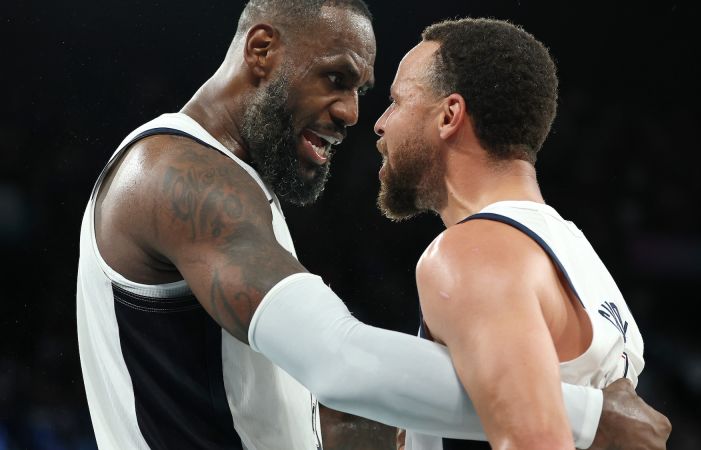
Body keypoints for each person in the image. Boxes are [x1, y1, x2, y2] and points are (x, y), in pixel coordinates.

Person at [76, 1, 670, 448]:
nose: (357, 115)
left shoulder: (235, 190)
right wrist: (589, 417)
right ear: (261, 51)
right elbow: (339, 362)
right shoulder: (178, 175)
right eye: (337, 78)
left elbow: (310, 417)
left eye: (369, 92)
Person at [373, 18, 671, 450]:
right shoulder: (572, 249)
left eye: (396, 101)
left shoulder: (472, 253)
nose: (381, 124)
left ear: (449, 115)